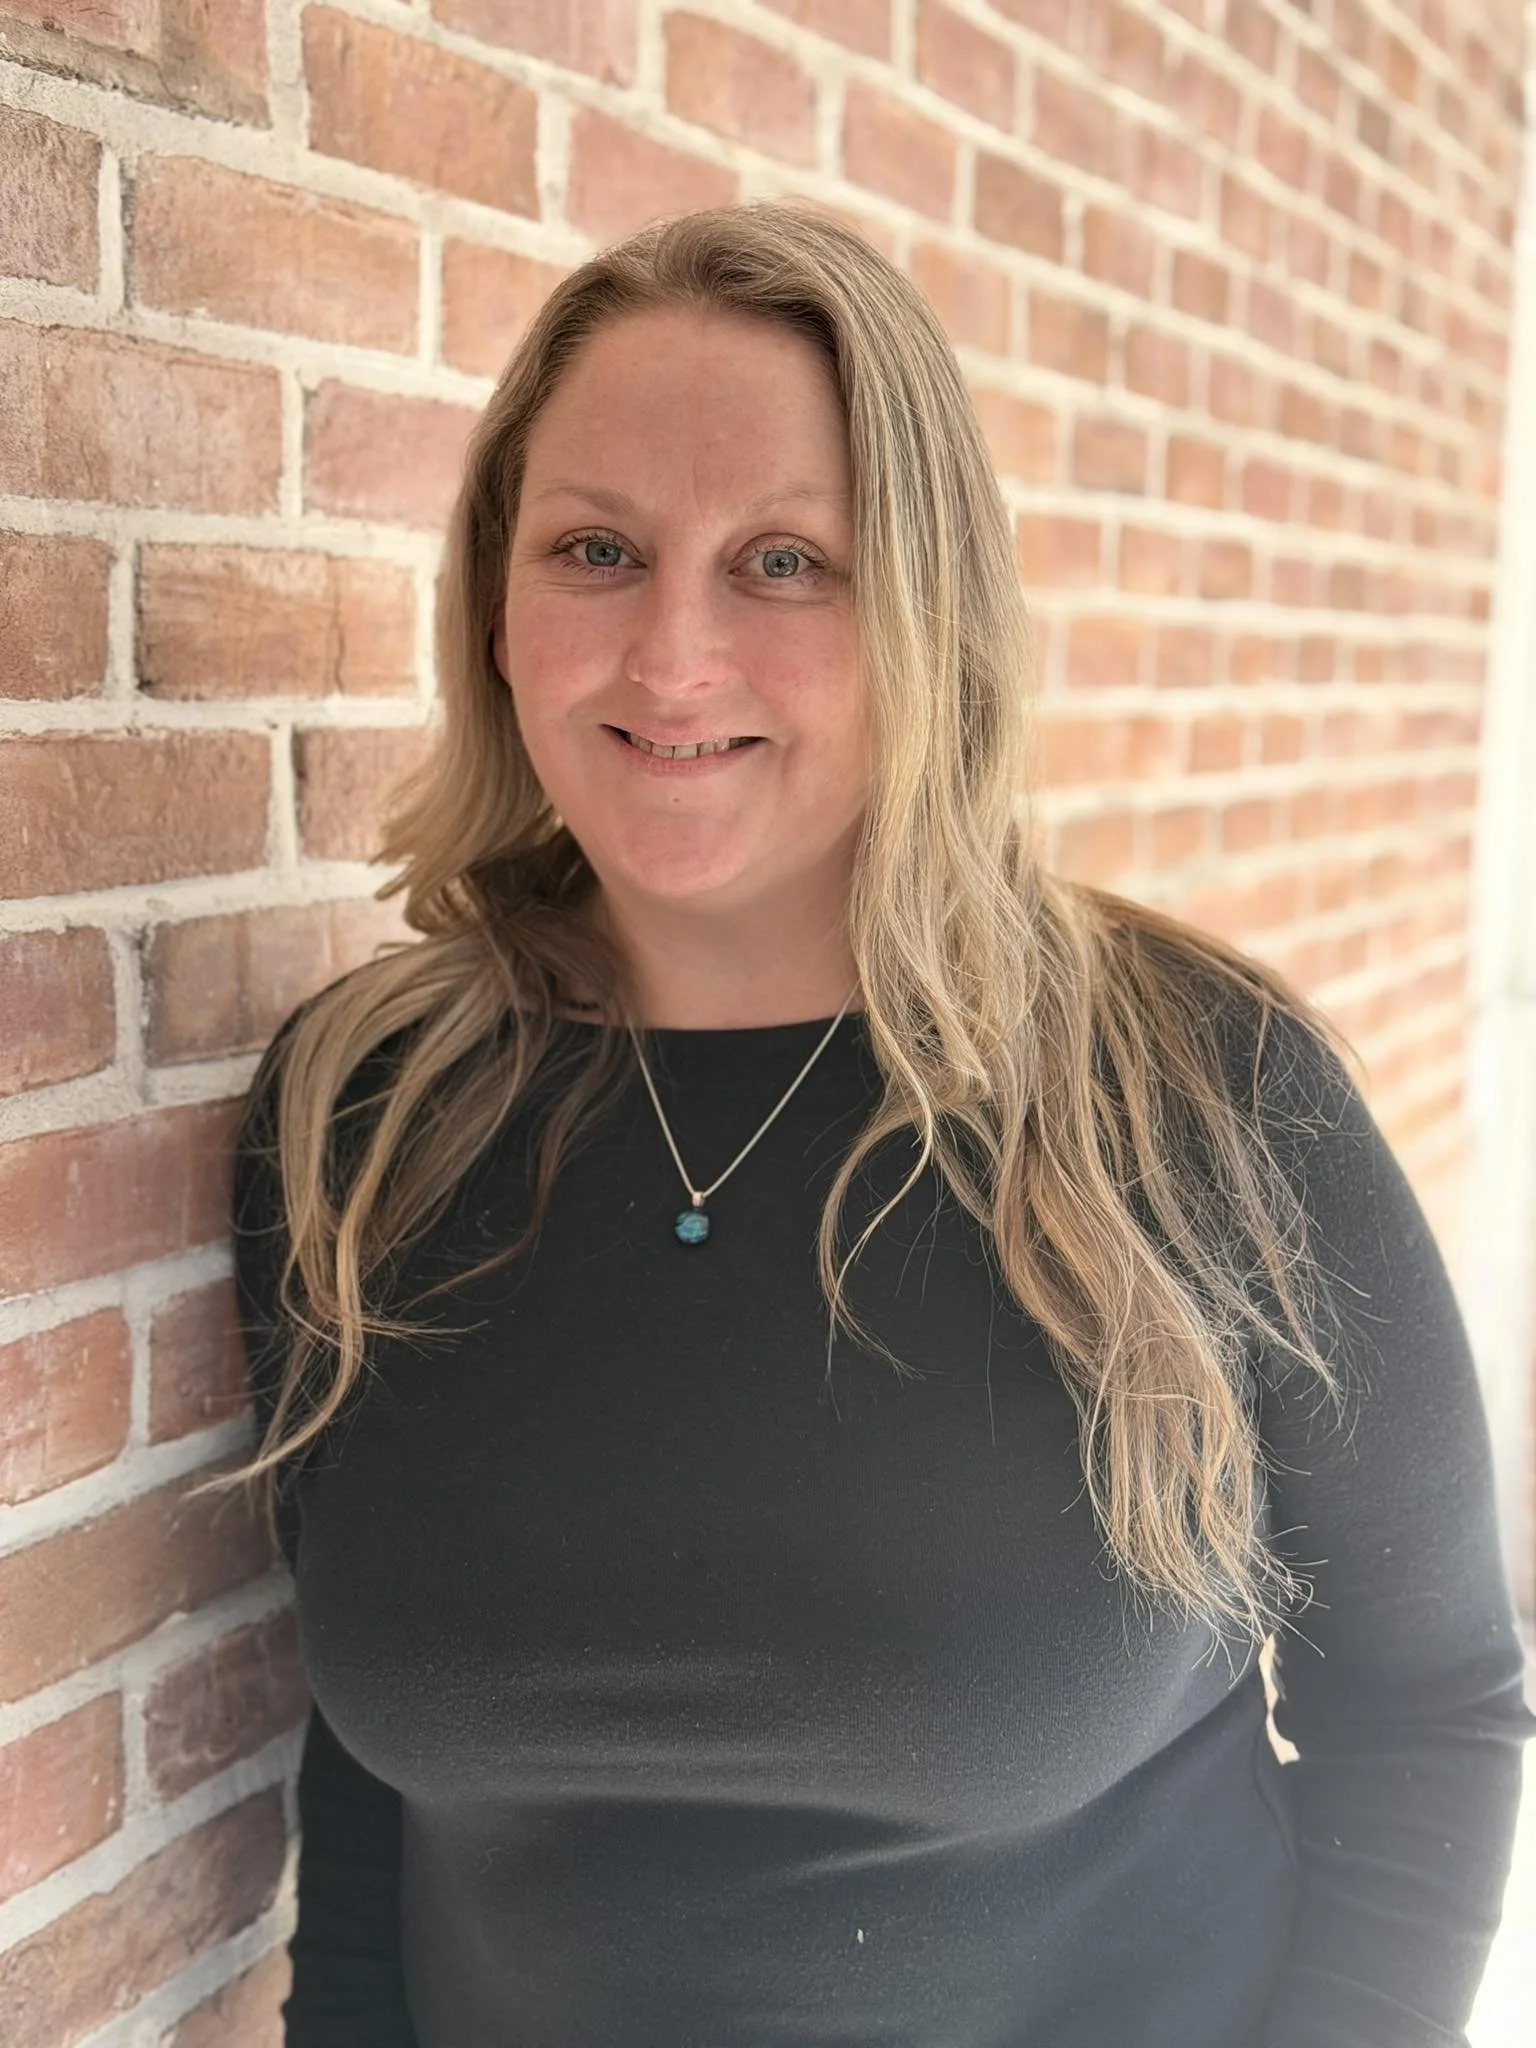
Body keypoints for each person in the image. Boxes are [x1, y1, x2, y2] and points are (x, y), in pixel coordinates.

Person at [214, 202, 1533, 2047]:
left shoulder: (1197, 1094)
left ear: (929, 607)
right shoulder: (364, 1119)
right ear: (494, 604)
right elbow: (375, 1792)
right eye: (597, 548)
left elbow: (1432, 1706)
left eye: (785, 563)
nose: (672, 657)